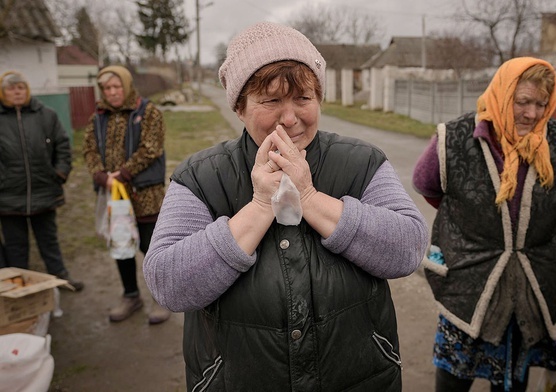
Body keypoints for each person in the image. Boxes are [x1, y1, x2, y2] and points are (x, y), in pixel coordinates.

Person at [143, 21, 428, 391]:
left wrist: (308, 198)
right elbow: (168, 283)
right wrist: (262, 204)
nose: (290, 118)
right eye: (271, 100)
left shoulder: (362, 163)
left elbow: (408, 248)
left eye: (303, 98)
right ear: (239, 108)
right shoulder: (201, 177)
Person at [412, 57, 556, 391]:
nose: (532, 114)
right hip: (470, 283)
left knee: (513, 376)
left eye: (541, 103)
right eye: (523, 102)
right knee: (453, 375)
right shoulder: (455, 138)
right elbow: (427, 185)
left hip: (533, 285)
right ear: (501, 95)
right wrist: (472, 220)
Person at [82, 65, 170, 325]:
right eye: (107, 88)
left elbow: (151, 148)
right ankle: (131, 295)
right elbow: (89, 149)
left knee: (149, 246)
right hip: (115, 195)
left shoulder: (148, 112)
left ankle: (161, 297)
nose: (112, 92)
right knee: (121, 246)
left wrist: (121, 174)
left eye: (116, 86)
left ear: (127, 86)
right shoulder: (98, 117)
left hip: (145, 194)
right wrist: (100, 175)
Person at [0, 71, 84, 290]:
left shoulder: (46, 115)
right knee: (16, 247)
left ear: (27, 90)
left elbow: (63, 146)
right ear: (3, 92)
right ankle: (17, 286)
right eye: (11, 88)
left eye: (20, 87)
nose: (16, 92)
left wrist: (59, 173)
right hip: (9, 196)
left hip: (44, 190)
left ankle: (60, 278)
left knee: (49, 241)